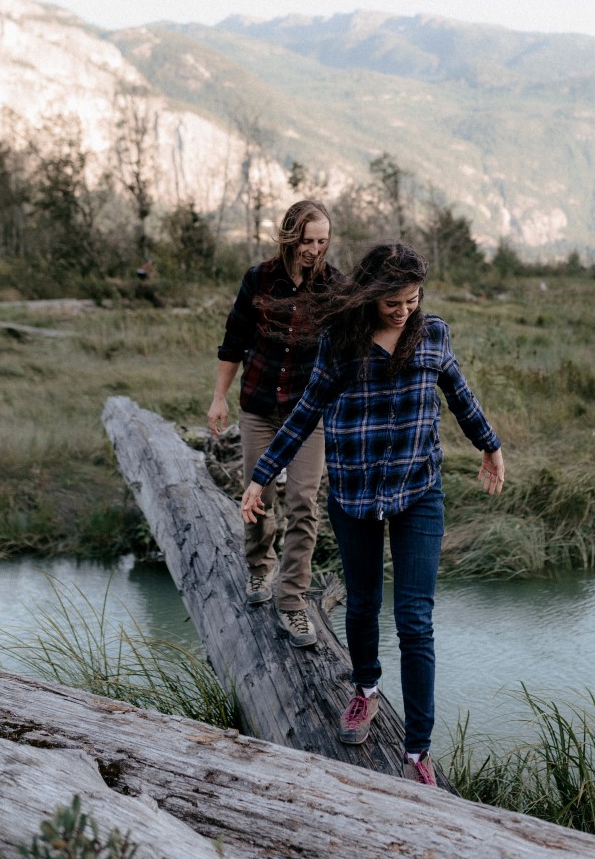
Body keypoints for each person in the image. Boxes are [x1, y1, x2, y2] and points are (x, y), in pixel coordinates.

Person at [241, 241, 505, 786]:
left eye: (412, 300)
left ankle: (417, 752)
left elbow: (458, 393)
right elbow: (306, 410)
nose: (404, 311)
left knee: (415, 620)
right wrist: (261, 477)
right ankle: (364, 689)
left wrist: (490, 445)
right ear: (370, 295)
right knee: (361, 605)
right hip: (356, 493)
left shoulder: (432, 334)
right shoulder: (341, 340)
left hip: (418, 490)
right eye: (393, 302)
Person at [207, 200, 341, 648]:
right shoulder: (258, 278)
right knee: (258, 495)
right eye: (307, 241)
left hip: (308, 415)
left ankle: (292, 602)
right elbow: (233, 343)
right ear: (289, 237)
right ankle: (259, 569)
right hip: (260, 406)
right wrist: (218, 398)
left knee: (304, 501)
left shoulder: (335, 287)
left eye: (322, 241)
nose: (314, 250)